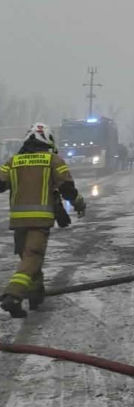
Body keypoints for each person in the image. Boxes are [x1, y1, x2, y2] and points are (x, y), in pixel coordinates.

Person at [0, 122, 85, 318]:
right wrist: (79, 203)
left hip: (18, 221)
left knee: (27, 258)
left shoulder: (13, 161)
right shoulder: (52, 160)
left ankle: (35, 294)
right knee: (32, 258)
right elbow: (67, 189)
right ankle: (13, 295)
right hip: (40, 220)